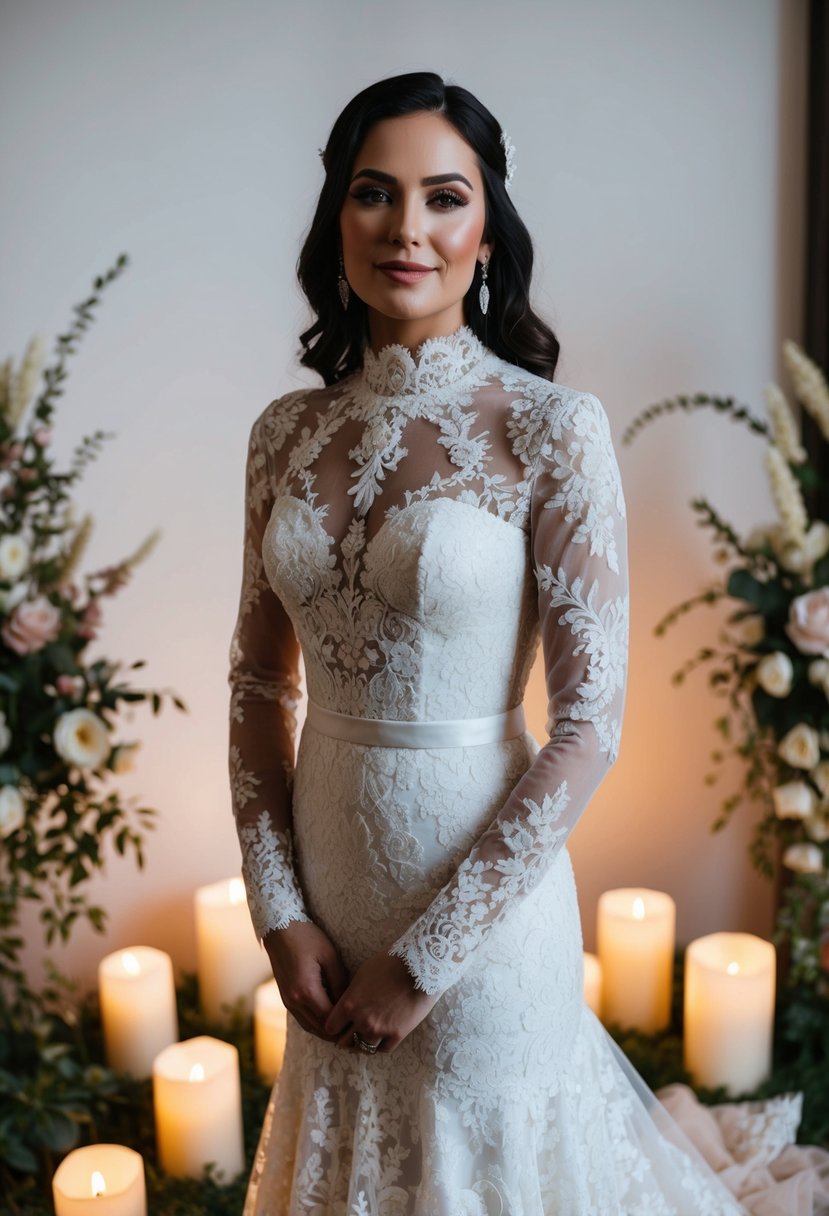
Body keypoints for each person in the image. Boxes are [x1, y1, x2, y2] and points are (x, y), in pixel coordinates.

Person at [228, 71, 745, 1214]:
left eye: (442, 197)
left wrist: (424, 960)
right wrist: (279, 914)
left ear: (486, 235)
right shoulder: (283, 434)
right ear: (336, 225)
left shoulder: (551, 430)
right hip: (319, 913)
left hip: (480, 942)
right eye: (373, 194)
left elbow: (587, 728)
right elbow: (258, 684)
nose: (405, 228)